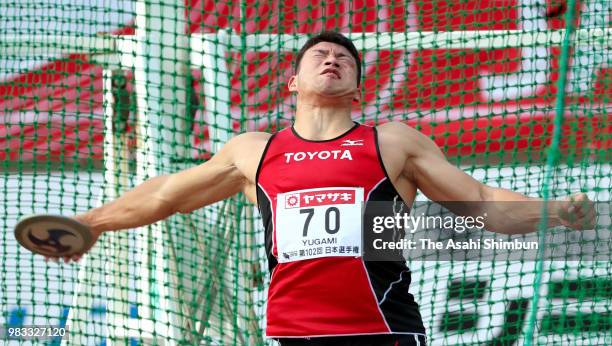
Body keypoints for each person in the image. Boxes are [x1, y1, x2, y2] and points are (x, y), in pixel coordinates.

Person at [50, 32, 595, 345]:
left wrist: (554, 211)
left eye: (344, 59)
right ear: (293, 82)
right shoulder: (254, 150)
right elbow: (166, 194)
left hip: (382, 332)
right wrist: (92, 223)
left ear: (357, 87)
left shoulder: (393, 142)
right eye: (319, 55)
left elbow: (480, 204)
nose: (332, 59)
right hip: (294, 335)